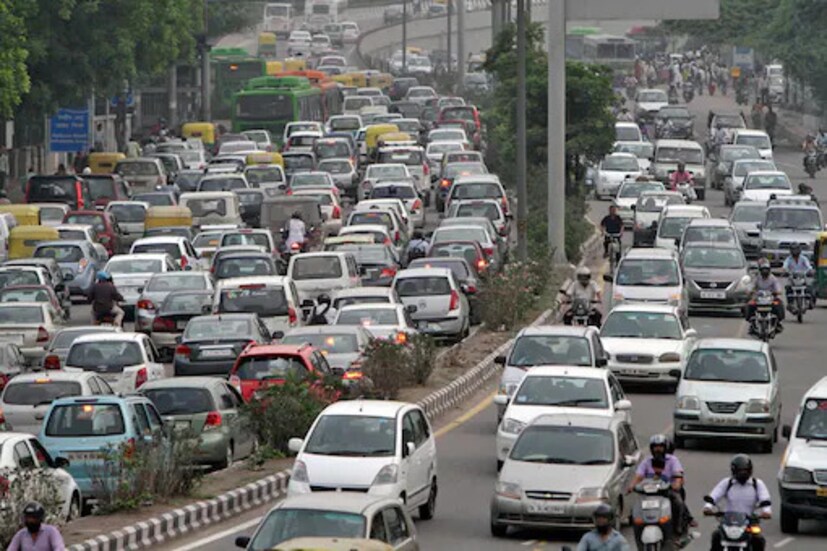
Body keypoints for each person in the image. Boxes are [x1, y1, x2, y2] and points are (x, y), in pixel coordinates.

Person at [627, 435, 693, 539]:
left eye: (660, 447)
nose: (658, 449)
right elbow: (638, 476)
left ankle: (678, 527)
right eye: (655, 447)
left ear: (665, 448)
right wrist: (632, 486)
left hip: (667, 491)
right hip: (649, 492)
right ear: (651, 448)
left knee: (678, 503)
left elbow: (678, 474)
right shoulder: (647, 461)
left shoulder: (672, 460)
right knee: (637, 507)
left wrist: (676, 484)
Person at [703, 454, 771, 551]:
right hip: (728, 521)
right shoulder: (727, 483)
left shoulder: (757, 484)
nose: (743, 473)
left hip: (750, 522)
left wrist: (766, 512)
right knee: (716, 536)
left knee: (758, 540)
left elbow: (765, 499)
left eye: (745, 470)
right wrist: (708, 507)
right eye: (740, 471)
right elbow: (714, 496)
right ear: (734, 471)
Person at [745, 258, 785, 332]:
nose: (765, 271)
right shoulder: (757, 278)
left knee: (779, 304)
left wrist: (778, 291)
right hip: (758, 298)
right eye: (763, 270)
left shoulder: (773, 278)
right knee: (749, 305)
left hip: (770, 298)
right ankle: (752, 323)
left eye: (766, 269)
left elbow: (778, 287)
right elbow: (751, 285)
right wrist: (749, 291)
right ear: (760, 270)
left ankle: (777, 323)